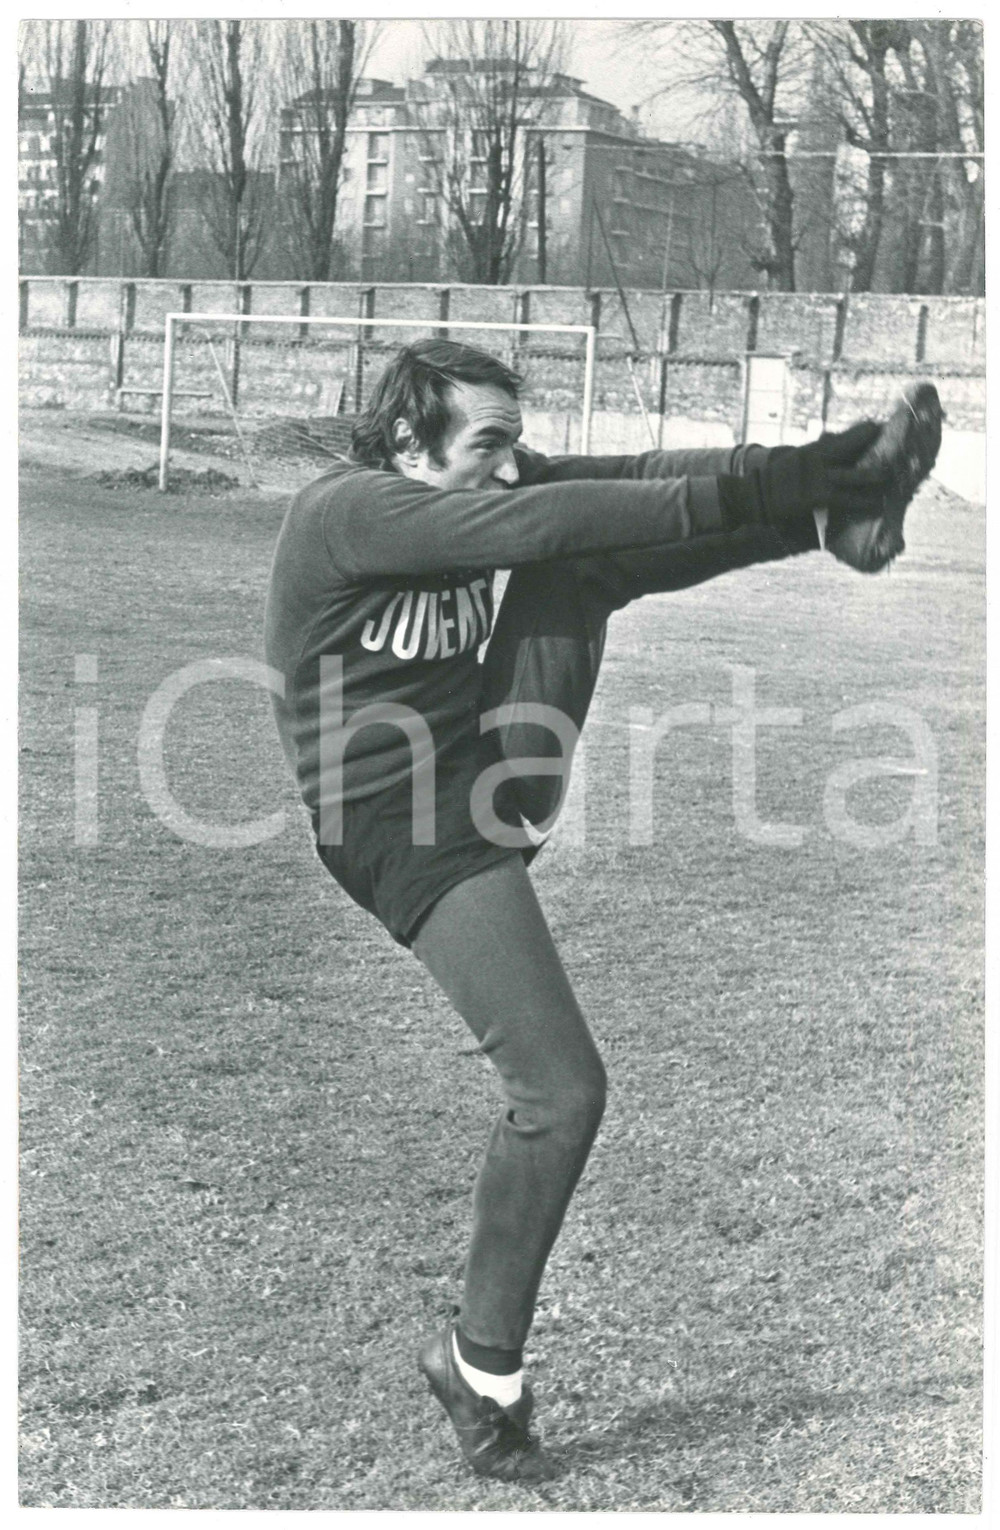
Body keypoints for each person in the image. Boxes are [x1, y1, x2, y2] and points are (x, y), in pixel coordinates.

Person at [263, 340, 938, 1484]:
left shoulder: (480, 481)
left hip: (489, 769)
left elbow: (614, 480)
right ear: (405, 445)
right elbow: (544, 525)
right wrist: (812, 463)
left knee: (591, 551)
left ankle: (838, 519)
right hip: (393, 824)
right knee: (561, 1091)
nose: (506, 465)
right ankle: (478, 1372)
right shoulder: (348, 514)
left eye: (512, 443)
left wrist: (808, 480)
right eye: (485, 446)